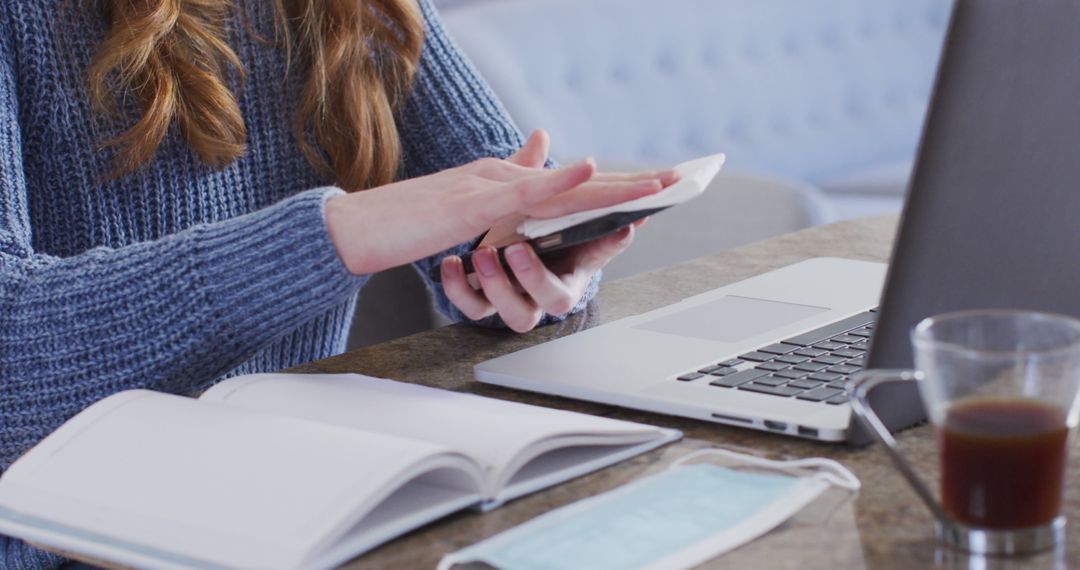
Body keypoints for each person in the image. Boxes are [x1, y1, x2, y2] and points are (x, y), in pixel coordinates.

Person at [0, 0, 675, 566]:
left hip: (304, 512)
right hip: (69, 543)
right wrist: (334, 236)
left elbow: (496, 197)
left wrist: (530, 264)